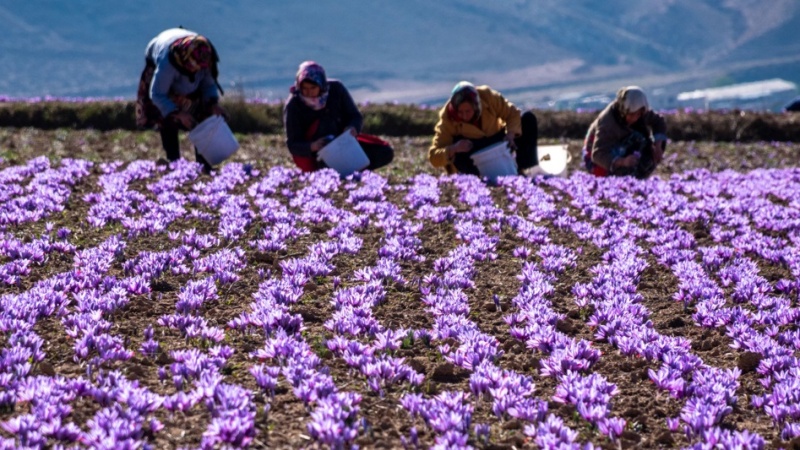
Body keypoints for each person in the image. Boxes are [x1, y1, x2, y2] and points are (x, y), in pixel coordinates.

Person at [135, 27, 227, 172]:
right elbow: (158, 94)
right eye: (193, 66)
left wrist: (213, 103)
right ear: (186, 60)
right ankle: (174, 162)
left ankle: (204, 165)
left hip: (189, 72)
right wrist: (177, 112)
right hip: (161, 81)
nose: (196, 70)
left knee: (204, 113)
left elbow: (208, 84)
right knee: (166, 116)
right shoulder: (167, 62)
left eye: (200, 68)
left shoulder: (205, 57)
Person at [283, 61, 394, 173]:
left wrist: (352, 128)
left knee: (385, 152)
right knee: (328, 165)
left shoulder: (336, 89)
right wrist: (313, 146)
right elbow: (293, 144)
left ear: (321, 85)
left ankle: (355, 172)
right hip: (317, 155)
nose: (308, 93)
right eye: (304, 88)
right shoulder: (293, 105)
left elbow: (355, 116)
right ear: (298, 86)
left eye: (313, 87)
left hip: (344, 144)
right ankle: (346, 174)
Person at [428, 81, 539, 175]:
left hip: (496, 140)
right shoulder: (447, 119)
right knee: (456, 144)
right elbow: (434, 156)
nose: (464, 116)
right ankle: (474, 180)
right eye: (460, 112)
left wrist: (511, 134)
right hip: (472, 152)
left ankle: (524, 167)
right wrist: (454, 149)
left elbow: (512, 113)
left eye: (468, 111)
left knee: (527, 118)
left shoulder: (487, 97)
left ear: (476, 106)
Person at [583, 86, 667, 178]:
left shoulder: (641, 111)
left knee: (645, 143)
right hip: (597, 159)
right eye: (631, 114)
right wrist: (622, 161)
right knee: (637, 140)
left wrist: (658, 146)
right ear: (623, 110)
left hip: (621, 147)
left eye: (638, 114)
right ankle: (623, 181)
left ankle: (638, 178)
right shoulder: (608, 122)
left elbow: (658, 121)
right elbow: (598, 155)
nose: (634, 118)